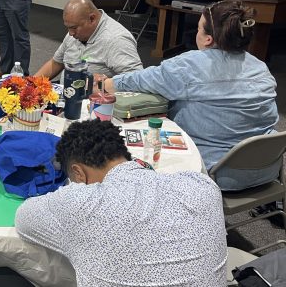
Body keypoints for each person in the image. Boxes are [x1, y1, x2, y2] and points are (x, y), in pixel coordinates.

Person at [15, 120, 227, 286]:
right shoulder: (203, 186)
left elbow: (23, 219)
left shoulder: (79, 203)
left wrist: (71, 192)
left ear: (78, 173)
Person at [103, 0, 279, 191]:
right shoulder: (261, 68)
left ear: (208, 39)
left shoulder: (190, 65)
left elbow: (142, 80)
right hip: (268, 169)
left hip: (217, 173)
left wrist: (106, 83)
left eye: (198, 29)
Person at [35, 0, 143, 79]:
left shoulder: (117, 39)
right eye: (68, 28)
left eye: (74, 28)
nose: (70, 33)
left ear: (92, 19)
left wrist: (104, 85)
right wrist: (30, 84)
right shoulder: (74, 33)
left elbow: (136, 80)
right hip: (67, 95)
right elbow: (56, 63)